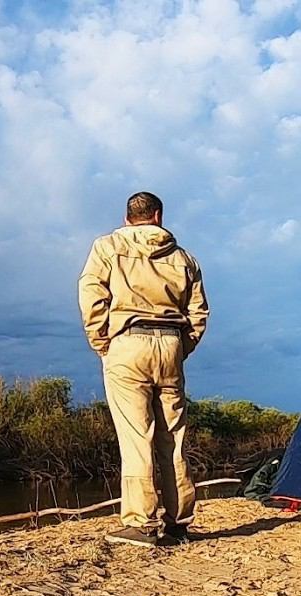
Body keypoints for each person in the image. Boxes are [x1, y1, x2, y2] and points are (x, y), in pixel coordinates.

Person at [78, 192, 209, 547]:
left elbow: (91, 297)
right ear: (158, 216)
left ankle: (141, 522)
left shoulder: (106, 247)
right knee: (173, 438)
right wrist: (181, 347)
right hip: (170, 345)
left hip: (127, 342)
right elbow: (198, 314)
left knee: (137, 438)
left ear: (127, 218)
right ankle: (179, 521)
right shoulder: (185, 259)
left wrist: (101, 342)